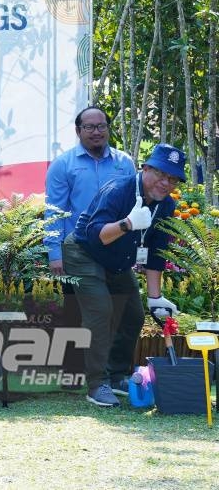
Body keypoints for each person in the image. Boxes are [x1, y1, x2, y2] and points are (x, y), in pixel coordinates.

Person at [63, 143, 183, 407]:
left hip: (116, 260)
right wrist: (127, 224)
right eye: (161, 174)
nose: (165, 183)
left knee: (134, 314)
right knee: (101, 311)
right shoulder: (119, 190)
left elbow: (157, 253)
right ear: (146, 168)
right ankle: (96, 384)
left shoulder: (166, 205)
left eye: (172, 179)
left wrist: (155, 297)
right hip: (84, 252)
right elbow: (96, 235)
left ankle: (117, 376)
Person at [45, 107, 135, 382]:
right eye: (89, 127)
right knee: (76, 313)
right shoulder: (64, 165)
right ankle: (73, 373)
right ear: (78, 131)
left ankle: (116, 373)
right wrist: (54, 253)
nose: (96, 131)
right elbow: (54, 211)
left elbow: (134, 209)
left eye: (101, 126)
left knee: (126, 312)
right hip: (78, 251)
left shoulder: (124, 163)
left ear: (108, 128)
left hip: (115, 250)